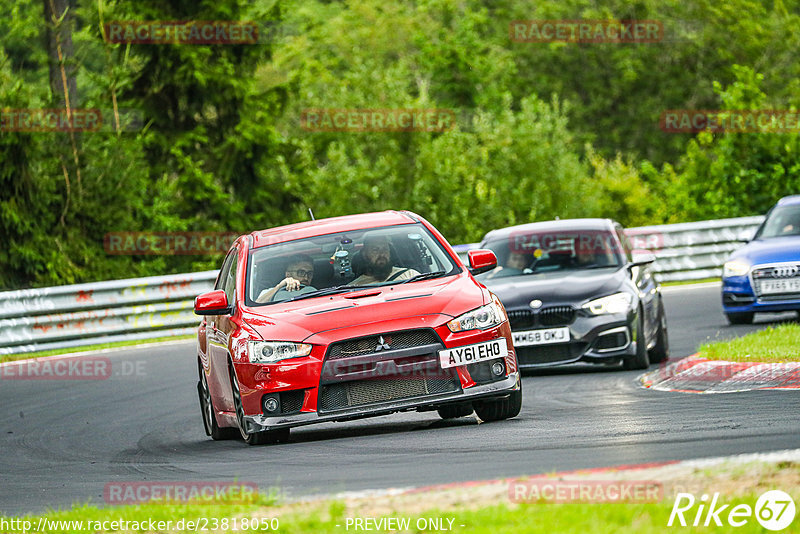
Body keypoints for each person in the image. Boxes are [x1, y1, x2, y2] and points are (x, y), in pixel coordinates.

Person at [351, 234, 420, 284]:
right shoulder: (354, 287)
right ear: (364, 254)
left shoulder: (410, 275)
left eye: (385, 249)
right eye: (375, 250)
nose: (382, 254)